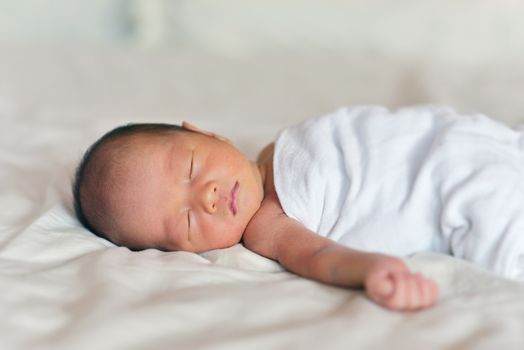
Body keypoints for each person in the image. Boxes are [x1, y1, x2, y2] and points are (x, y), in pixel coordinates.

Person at [75, 104, 524, 311]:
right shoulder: (268, 225)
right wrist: (368, 269)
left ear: (208, 134)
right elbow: (320, 258)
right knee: (505, 251)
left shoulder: (285, 146)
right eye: (188, 221)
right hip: (464, 195)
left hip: (461, 142)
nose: (207, 197)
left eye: (192, 168)